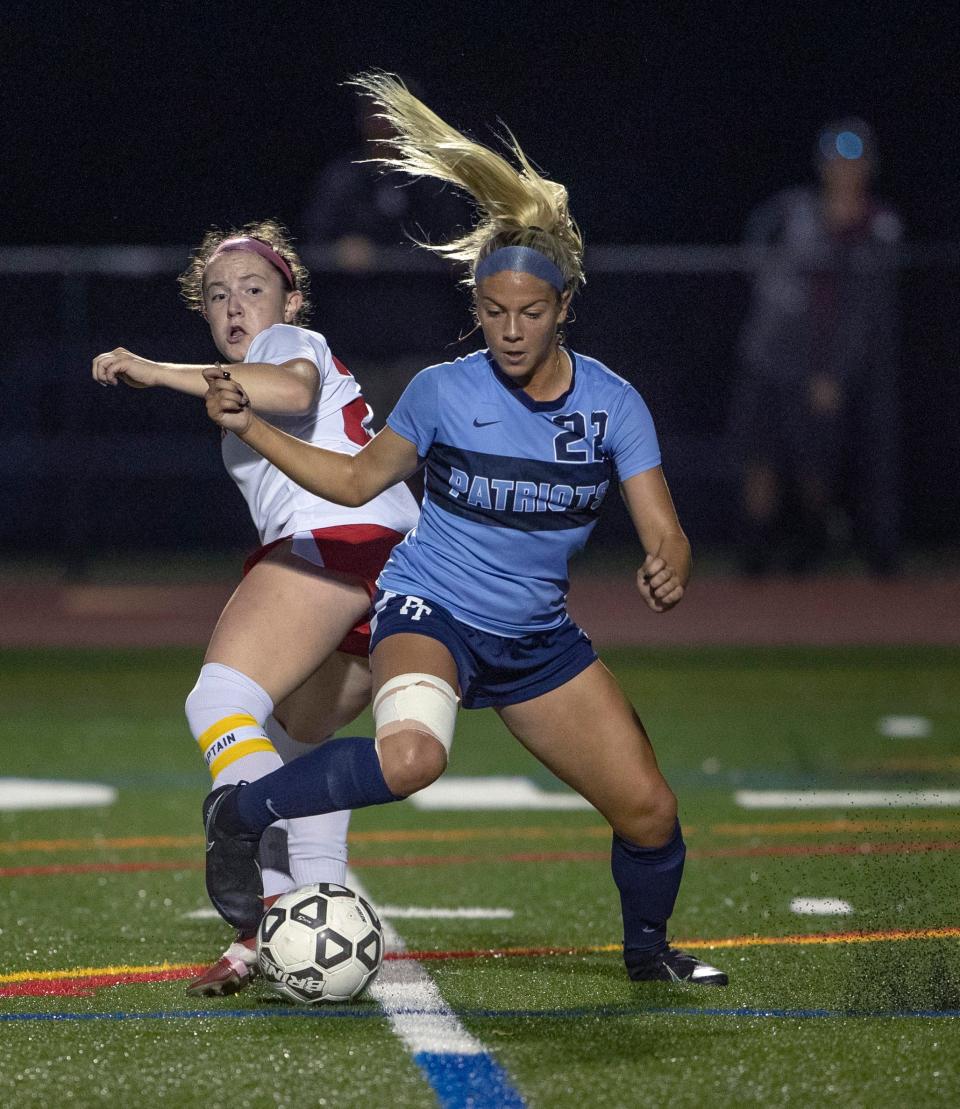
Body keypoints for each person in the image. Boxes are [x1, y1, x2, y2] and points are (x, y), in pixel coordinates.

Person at [201, 76, 728, 987]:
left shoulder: (613, 404)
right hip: (429, 610)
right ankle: (243, 815)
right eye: (493, 313)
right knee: (412, 759)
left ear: (565, 307)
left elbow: (665, 529)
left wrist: (666, 562)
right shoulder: (446, 390)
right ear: (476, 308)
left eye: (531, 313)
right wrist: (251, 427)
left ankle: (651, 957)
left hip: (536, 642)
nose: (511, 331)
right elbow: (358, 480)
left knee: (648, 810)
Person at [91, 220, 419, 995]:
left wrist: (153, 368)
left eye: (253, 289)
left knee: (221, 698)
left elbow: (290, 391)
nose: (235, 306)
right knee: (299, 741)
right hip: (401, 560)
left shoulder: (287, 347)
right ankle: (311, 913)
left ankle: (265, 909)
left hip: (346, 538)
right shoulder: (258, 362)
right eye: (216, 294)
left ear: (292, 300)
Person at [733, 117, 903, 575]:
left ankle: (818, 544)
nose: (844, 171)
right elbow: (752, 242)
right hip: (771, 353)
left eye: (854, 162)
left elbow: (867, 310)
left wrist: (834, 371)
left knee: (819, 463)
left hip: (831, 364)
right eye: (836, 162)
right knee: (761, 454)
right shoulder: (791, 210)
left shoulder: (879, 224)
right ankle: (754, 554)